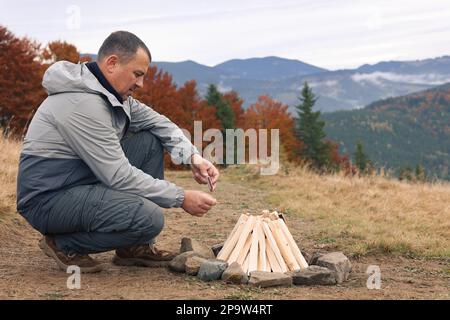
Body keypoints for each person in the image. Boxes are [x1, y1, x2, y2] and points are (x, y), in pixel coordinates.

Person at [16, 31, 219, 273]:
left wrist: (193, 157)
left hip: (77, 180)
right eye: (137, 74)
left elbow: (159, 123)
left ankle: (133, 248)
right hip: (48, 198)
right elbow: (118, 175)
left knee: (149, 140)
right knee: (150, 218)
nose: (141, 84)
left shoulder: (111, 95)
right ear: (112, 63)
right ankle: (62, 243)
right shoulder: (84, 104)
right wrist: (181, 197)